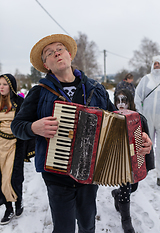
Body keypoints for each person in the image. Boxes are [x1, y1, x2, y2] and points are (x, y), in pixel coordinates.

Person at [11, 34, 152, 233]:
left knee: (87, 224)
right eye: (49, 53)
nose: (56, 53)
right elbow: (17, 126)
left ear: (69, 55)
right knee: (63, 228)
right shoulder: (39, 92)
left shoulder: (96, 89)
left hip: (90, 172)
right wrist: (34, 127)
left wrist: (140, 140)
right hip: (56, 174)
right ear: (46, 65)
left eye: (59, 49)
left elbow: (121, 124)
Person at [112, 89, 154, 233]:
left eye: (125, 101)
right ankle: (126, 219)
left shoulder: (139, 118)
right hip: (120, 161)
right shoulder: (112, 118)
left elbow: (147, 140)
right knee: (126, 187)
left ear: (130, 102)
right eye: (118, 101)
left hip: (135, 160)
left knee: (133, 187)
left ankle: (116, 194)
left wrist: (147, 163)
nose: (121, 104)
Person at [0, 74, 24, 225]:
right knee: (2, 179)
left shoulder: (20, 102)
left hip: (16, 145)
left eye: (4, 84)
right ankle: (8, 208)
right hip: (0, 145)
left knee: (14, 178)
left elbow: (25, 122)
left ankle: (18, 202)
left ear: (11, 86)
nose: (1, 87)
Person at [134, 55, 160, 186]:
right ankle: (143, 169)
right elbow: (138, 97)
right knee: (146, 143)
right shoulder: (146, 79)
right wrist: (140, 114)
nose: (157, 66)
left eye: (159, 64)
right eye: (155, 63)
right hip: (148, 116)